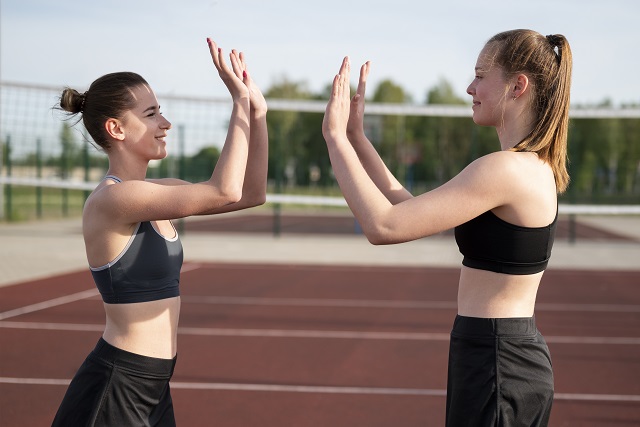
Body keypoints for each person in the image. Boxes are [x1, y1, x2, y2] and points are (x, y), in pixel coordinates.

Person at [322, 29, 572, 426]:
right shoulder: (524, 167)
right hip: (497, 352)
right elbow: (409, 210)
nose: (469, 87)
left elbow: (382, 226)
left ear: (517, 85)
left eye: (480, 75)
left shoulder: (505, 169)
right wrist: (356, 138)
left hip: (498, 358)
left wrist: (333, 138)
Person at [51, 38, 268, 426]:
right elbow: (225, 189)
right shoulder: (114, 200)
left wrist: (257, 114)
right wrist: (237, 102)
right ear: (116, 128)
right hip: (118, 386)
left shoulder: (160, 191)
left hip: (153, 386)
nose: (165, 124)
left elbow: (251, 194)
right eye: (151, 114)